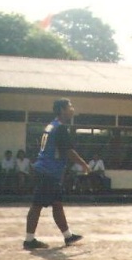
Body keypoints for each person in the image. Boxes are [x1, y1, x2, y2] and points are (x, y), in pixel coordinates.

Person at [23, 98, 89, 250]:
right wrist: (84, 164)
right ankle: (29, 240)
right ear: (62, 110)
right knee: (37, 205)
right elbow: (68, 151)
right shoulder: (60, 128)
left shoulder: (51, 126)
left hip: (47, 171)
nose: (72, 109)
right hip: (47, 172)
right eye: (70, 106)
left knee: (57, 204)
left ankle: (68, 236)